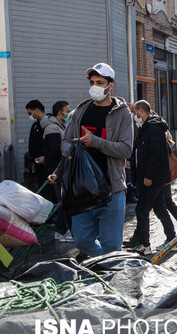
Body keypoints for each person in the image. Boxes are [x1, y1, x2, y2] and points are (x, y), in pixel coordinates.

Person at [49, 62, 133, 257]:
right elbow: (65, 145)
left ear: (110, 85)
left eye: (100, 82)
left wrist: (95, 141)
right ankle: (100, 261)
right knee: (82, 240)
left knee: (112, 246)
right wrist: (63, 166)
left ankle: (108, 274)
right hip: (82, 189)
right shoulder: (80, 112)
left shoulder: (122, 113)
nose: (94, 86)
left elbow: (126, 149)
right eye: (92, 82)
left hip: (112, 189)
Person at [129, 100, 174, 255]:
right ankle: (172, 239)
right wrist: (132, 163)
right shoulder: (146, 127)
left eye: (135, 113)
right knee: (160, 207)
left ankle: (144, 245)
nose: (134, 116)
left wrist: (148, 175)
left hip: (153, 178)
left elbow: (157, 154)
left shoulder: (152, 128)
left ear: (141, 111)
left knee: (142, 210)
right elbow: (142, 151)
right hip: (155, 177)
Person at [40, 101, 74, 241]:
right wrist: (70, 149)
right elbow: (56, 150)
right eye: (67, 110)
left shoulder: (61, 126)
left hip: (63, 169)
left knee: (65, 201)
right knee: (62, 202)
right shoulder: (52, 129)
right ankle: (61, 230)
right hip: (56, 170)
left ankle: (64, 229)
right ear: (60, 113)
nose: (68, 112)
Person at [26, 100, 47, 188]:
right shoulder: (35, 125)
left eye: (30, 113)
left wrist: (46, 157)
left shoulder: (47, 125)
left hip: (47, 165)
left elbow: (52, 146)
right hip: (38, 164)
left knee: (49, 189)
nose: (30, 116)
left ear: (37, 111)